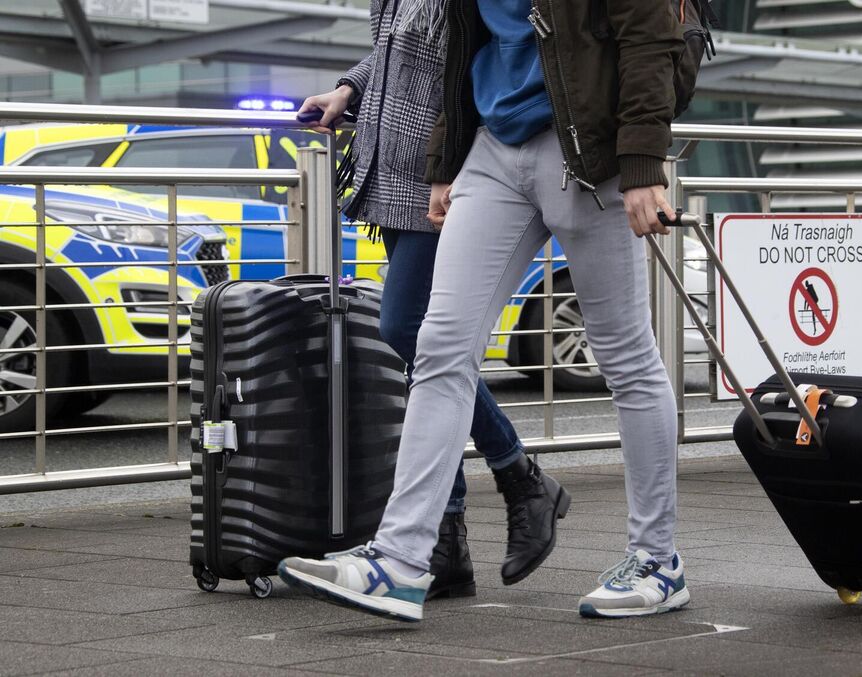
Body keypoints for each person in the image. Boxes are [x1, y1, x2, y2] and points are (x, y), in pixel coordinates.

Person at [279, 0, 686, 622]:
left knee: (625, 355)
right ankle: (400, 560)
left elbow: (651, 38)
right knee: (440, 344)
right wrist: (446, 164)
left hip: (588, 153)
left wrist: (640, 163)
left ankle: (658, 560)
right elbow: (463, 51)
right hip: (493, 152)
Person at [290, 0, 570, 601]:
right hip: (387, 174)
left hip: (442, 175)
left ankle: (517, 476)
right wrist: (347, 89)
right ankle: (448, 542)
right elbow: (396, 53)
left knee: (411, 330)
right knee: (426, 350)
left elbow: (467, 64)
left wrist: (449, 165)